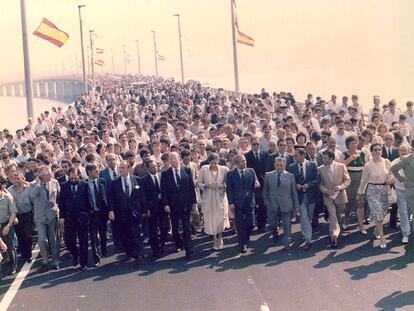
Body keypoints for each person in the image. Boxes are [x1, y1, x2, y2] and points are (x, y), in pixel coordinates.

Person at [109, 161, 149, 265]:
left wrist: (145, 210)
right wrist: (111, 211)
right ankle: (129, 252)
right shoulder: (114, 183)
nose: (120, 170)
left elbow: (142, 197)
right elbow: (111, 199)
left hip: (135, 213)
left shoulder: (137, 180)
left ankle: (138, 255)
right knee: (124, 236)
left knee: (136, 234)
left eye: (123, 168)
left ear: (128, 169)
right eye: (119, 168)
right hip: (121, 214)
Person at [160, 152, 197, 260]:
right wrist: (166, 204)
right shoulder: (165, 174)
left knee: (186, 227)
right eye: (170, 159)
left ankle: (189, 249)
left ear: (179, 159)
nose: (172, 161)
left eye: (174, 158)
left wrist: (193, 202)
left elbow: (191, 187)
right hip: (173, 206)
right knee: (175, 228)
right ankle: (178, 243)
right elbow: (164, 191)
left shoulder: (187, 170)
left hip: (185, 205)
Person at [357, 143, 393, 249]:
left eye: (379, 149)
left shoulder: (386, 162)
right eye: (375, 150)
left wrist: (390, 179)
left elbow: (391, 174)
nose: (378, 151)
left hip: (385, 190)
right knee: (378, 213)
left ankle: (377, 230)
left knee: (383, 212)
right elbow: (364, 181)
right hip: (372, 190)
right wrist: (360, 193)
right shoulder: (368, 165)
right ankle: (382, 238)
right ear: (371, 152)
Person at [59, 168, 93, 271]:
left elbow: (89, 201)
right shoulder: (64, 186)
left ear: (79, 176)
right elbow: (62, 203)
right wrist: (62, 217)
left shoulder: (85, 185)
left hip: (82, 218)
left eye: (75, 178)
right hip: (69, 219)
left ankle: (84, 263)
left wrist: (87, 215)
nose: (73, 180)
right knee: (69, 241)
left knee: (83, 241)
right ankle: (75, 254)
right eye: (71, 178)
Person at [226, 154, 260, 253]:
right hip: (238, 203)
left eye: (245, 161)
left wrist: (257, 183)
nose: (245, 163)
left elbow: (256, 182)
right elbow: (229, 189)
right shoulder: (230, 174)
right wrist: (231, 202)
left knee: (251, 224)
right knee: (240, 225)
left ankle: (246, 238)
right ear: (237, 164)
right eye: (242, 161)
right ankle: (242, 244)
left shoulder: (251, 171)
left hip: (250, 202)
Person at [29, 166, 60, 272]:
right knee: (42, 239)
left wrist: (57, 208)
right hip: (40, 216)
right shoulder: (33, 185)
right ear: (41, 176)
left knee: (54, 239)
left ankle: (55, 261)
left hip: (52, 214)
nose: (50, 175)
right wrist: (38, 185)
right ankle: (45, 261)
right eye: (48, 174)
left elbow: (59, 195)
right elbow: (31, 197)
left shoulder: (54, 182)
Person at [263, 157, 299, 251]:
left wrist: (296, 207)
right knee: (272, 223)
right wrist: (267, 203)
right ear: (274, 165)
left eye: (281, 165)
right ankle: (275, 233)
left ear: (284, 166)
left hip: (286, 204)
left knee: (287, 225)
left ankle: (287, 243)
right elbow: (265, 191)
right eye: (277, 165)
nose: (279, 167)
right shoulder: (268, 175)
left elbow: (294, 192)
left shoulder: (290, 176)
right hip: (272, 205)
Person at [288, 148, 320, 250]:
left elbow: (317, 179)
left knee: (309, 217)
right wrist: (295, 185)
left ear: (303, 155)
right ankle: (308, 240)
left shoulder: (312, 165)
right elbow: (290, 181)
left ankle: (306, 232)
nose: (294, 157)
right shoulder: (291, 167)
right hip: (300, 197)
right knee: (304, 218)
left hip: (311, 196)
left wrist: (309, 185)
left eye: (296, 155)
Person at [197, 153, 230, 250]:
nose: (213, 165)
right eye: (211, 163)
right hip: (209, 198)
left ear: (218, 162)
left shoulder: (224, 169)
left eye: (215, 163)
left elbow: (230, 183)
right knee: (211, 219)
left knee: (220, 218)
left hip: (220, 198)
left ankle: (220, 238)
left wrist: (223, 186)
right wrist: (204, 186)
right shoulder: (204, 169)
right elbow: (198, 182)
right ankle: (214, 239)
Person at [319, 150, 351, 248]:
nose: (323, 160)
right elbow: (319, 184)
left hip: (340, 195)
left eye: (325, 158)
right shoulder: (320, 169)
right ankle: (334, 237)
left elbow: (347, 180)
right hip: (328, 197)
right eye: (322, 158)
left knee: (338, 216)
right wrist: (326, 191)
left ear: (331, 158)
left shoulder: (341, 166)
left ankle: (337, 228)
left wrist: (340, 187)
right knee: (332, 216)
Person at [339, 135, 368, 233]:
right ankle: (345, 221)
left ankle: (361, 227)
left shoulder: (362, 154)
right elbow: (340, 166)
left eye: (356, 143)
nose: (355, 145)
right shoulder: (344, 155)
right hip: (349, 184)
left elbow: (366, 167)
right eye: (352, 143)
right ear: (348, 145)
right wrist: (350, 158)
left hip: (360, 183)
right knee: (348, 205)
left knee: (360, 205)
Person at [140, 160, 168, 257]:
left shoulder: (162, 176)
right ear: (147, 168)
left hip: (163, 205)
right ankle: (155, 248)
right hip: (152, 208)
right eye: (152, 167)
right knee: (153, 229)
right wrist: (146, 209)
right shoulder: (143, 180)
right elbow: (143, 196)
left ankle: (163, 243)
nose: (155, 168)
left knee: (165, 226)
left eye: (156, 166)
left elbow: (165, 191)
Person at [8, 171, 35, 263]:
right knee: (20, 235)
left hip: (28, 214)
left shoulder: (29, 189)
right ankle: (24, 254)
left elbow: (34, 202)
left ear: (23, 179)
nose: (16, 180)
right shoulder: (9, 190)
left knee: (28, 235)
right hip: (16, 216)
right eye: (14, 179)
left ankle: (29, 255)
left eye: (18, 178)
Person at [390, 146, 414, 245]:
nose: (403, 152)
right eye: (401, 150)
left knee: (409, 212)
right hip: (401, 189)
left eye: (405, 150)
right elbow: (392, 170)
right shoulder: (399, 161)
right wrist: (401, 179)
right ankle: (405, 234)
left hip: (410, 189)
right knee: (403, 212)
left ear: (409, 150)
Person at [85, 164, 108, 265]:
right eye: (96, 171)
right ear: (89, 172)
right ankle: (96, 258)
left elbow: (106, 196)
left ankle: (104, 249)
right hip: (91, 214)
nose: (98, 172)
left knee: (103, 234)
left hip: (102, 213)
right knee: (94, 238)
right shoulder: (84, 184)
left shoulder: (102, 181)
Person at [245, 137, 268, 232]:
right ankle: (251, 225)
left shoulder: (265, 154)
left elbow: (267, 169)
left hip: (263, 184)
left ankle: (261, 226)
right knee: (252, 206)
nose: (256, 146)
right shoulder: (246, 156)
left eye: (257, 144)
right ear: (251, 145)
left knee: (262, 205)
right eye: (254, 144)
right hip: (252, 184)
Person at [0, 176, 17, 275]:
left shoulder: (8, 198)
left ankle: (13, 266)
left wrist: (8, 226)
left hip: (6, 224)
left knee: (10, 246)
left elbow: (13, 213)